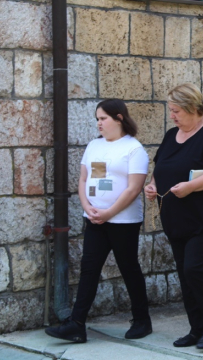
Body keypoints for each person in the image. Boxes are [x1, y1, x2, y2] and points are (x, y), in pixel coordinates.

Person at [45, 99, 152, 343]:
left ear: (119, 118)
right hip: (94, 219)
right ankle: (76, 324)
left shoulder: (133, 149)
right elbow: (83, 180)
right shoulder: (94, 145)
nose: (99, 123)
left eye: (103, 118)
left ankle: (142, 320)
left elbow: (134, 188)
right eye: (97, 119)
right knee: (89, 270)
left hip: (123, 221)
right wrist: (87, 207)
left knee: (128, 268)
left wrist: (109, 213)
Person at [144, 83, 203, 350]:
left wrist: (191, 186)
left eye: (176, 111)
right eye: (171, 111)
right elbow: (161, 167)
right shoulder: (172, 135)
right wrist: (152, 186)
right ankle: (196, 329)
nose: (172, 116)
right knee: (186, 275)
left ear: (193, 108)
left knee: (195, 269)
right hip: (177, 220)